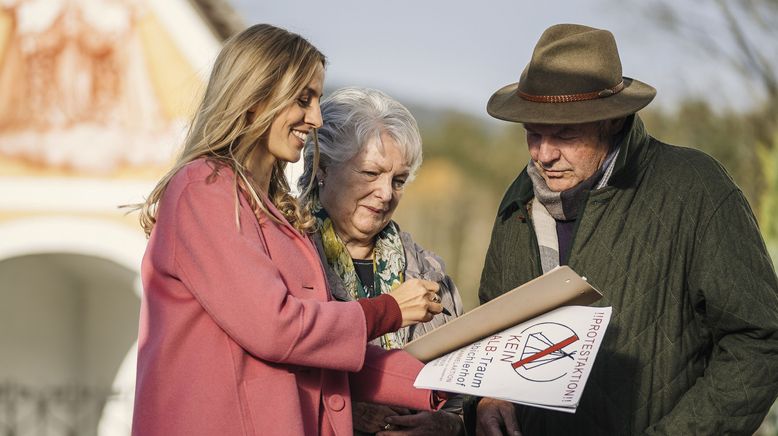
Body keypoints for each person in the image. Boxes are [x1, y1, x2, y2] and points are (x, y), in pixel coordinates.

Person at [131, 24, 446, 436]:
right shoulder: (202, 190)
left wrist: (443, 388)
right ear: (255, 97)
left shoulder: (274, 215)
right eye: (304, 99)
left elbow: (321, 344)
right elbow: (277, 329)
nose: (315, 118)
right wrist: (389, 310)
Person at [467, 23, 778, 435]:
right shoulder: (517, 200)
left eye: (565, 133)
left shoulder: (695, 188)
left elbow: (760, 339)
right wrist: (491, 396)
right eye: (534, 133)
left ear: (613, 121)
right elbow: (494, 331)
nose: (544, 154)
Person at [298, 87, 466, 435]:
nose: (387, 193)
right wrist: (343, 410)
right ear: (323, 167)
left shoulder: (429, 275)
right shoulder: (289, 256)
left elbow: (463, 391)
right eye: (371, 173)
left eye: (399, 180)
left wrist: (447, 425)